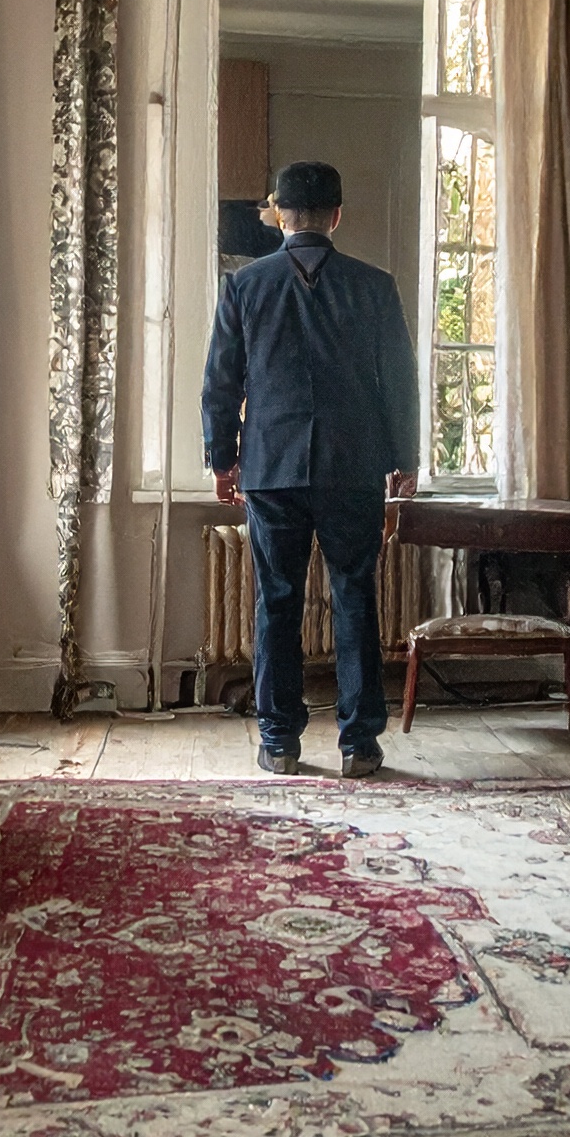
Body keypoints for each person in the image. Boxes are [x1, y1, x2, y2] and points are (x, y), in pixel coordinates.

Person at [202, 160, 419, 776]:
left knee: (277, 602)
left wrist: (223, 458)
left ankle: (279, 741)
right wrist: (404, 460)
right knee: (355, 597)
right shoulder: (374, 286)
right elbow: (399, 381)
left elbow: (221, 381)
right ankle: (359, 744)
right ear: (338, 216)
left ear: (278, 215)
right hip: (354, 468)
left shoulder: (245, 287)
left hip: (272, 469)